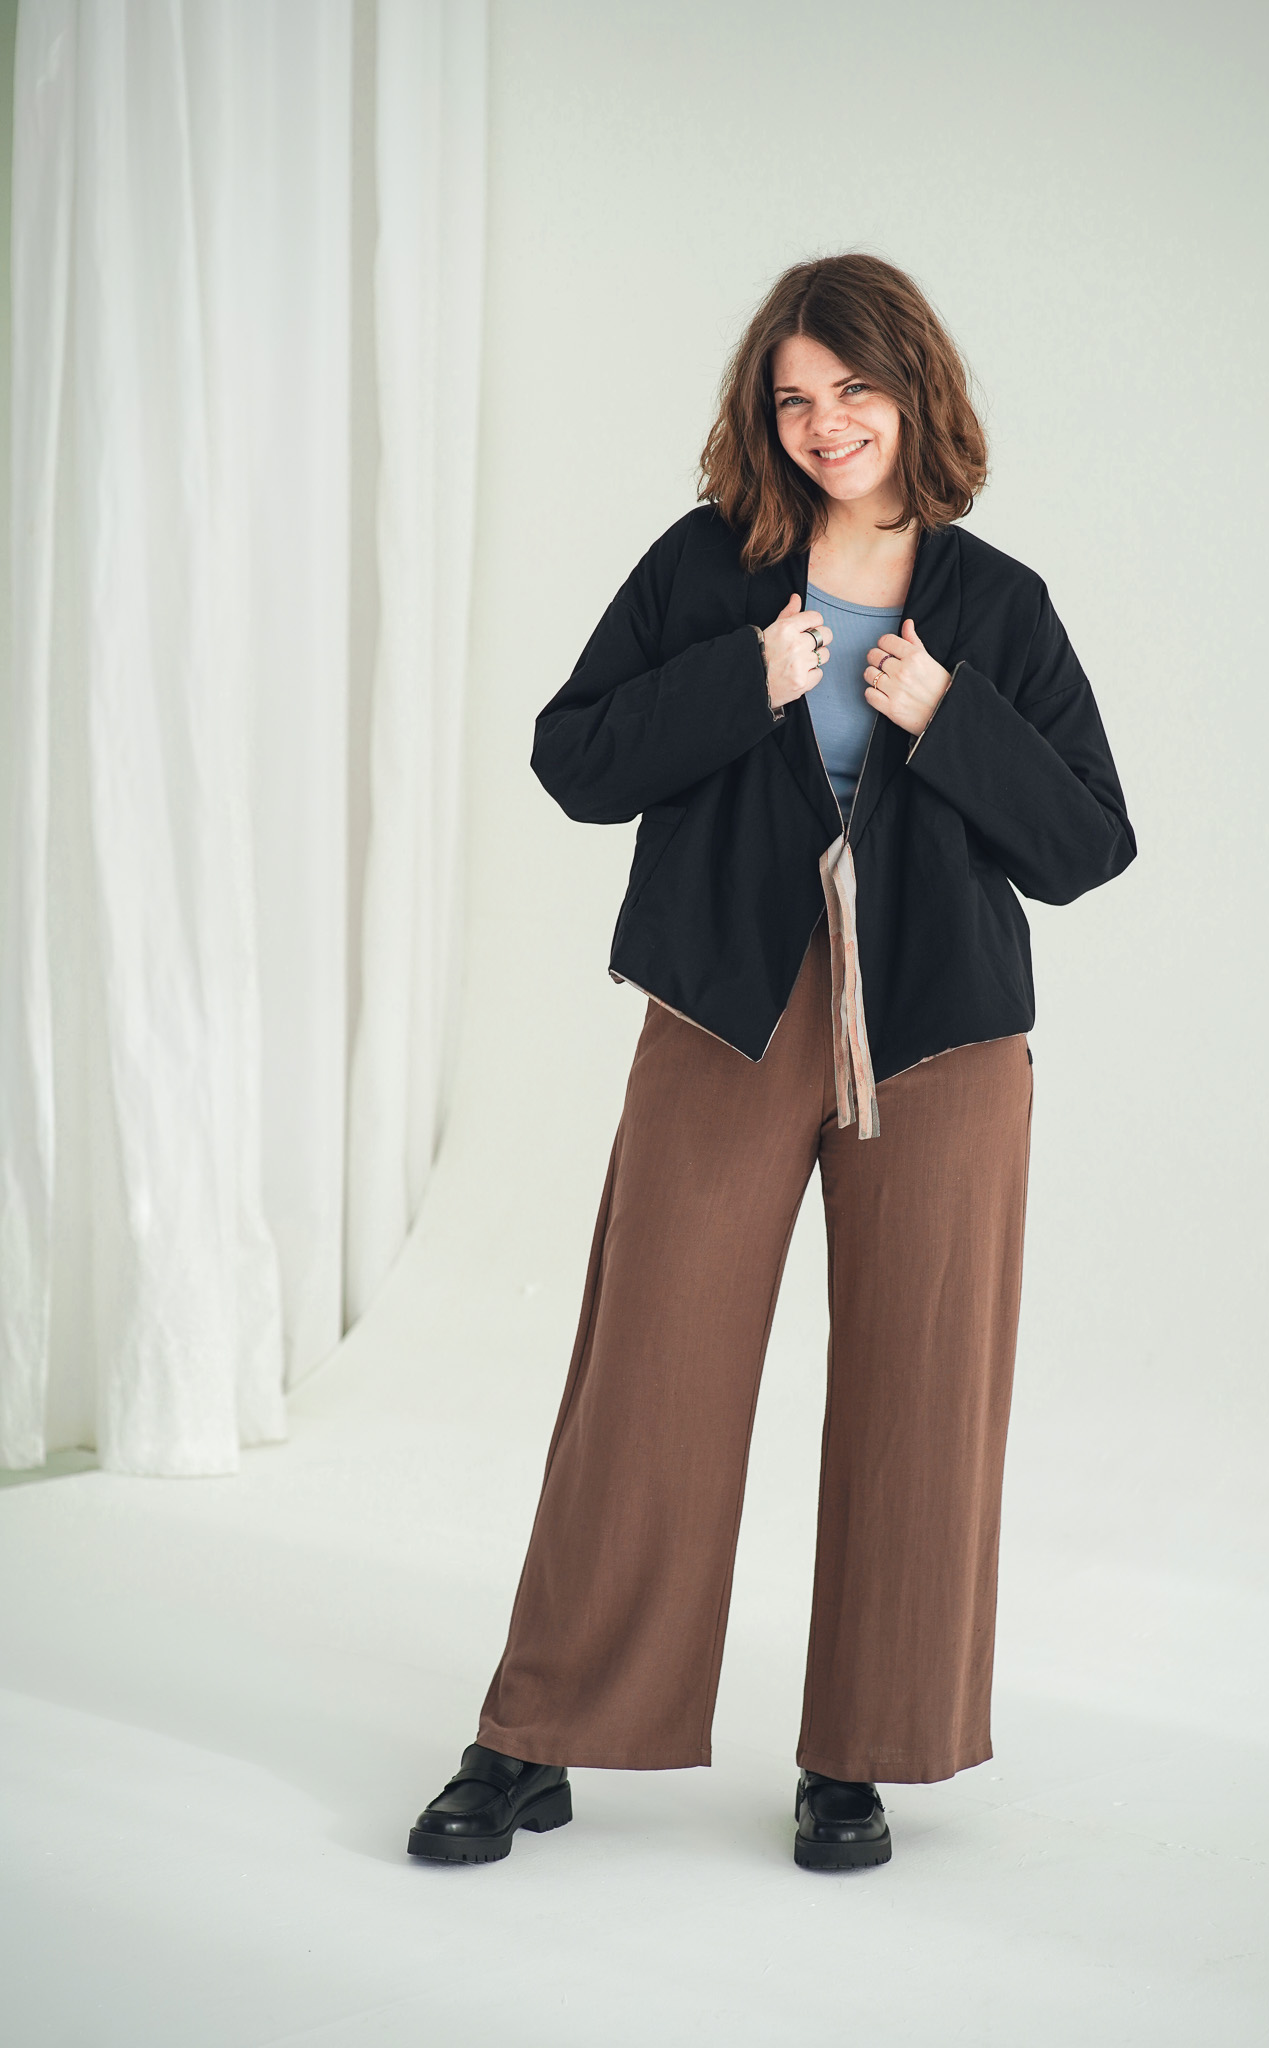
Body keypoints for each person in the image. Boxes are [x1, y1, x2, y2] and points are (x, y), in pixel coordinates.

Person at [407, 252, 1136, 1873]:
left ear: (913, 393)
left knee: (918, 1395)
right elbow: (573, 757)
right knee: (646, 1374)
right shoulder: (706, 569)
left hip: (941, 1034)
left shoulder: (998, 606)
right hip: (727, 1006)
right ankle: (532, 1737)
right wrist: (740, 680)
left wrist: (948, 714)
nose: (824, 424)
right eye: (794, 398)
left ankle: (854, 1759)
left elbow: (1089, 843)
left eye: (852, 389)